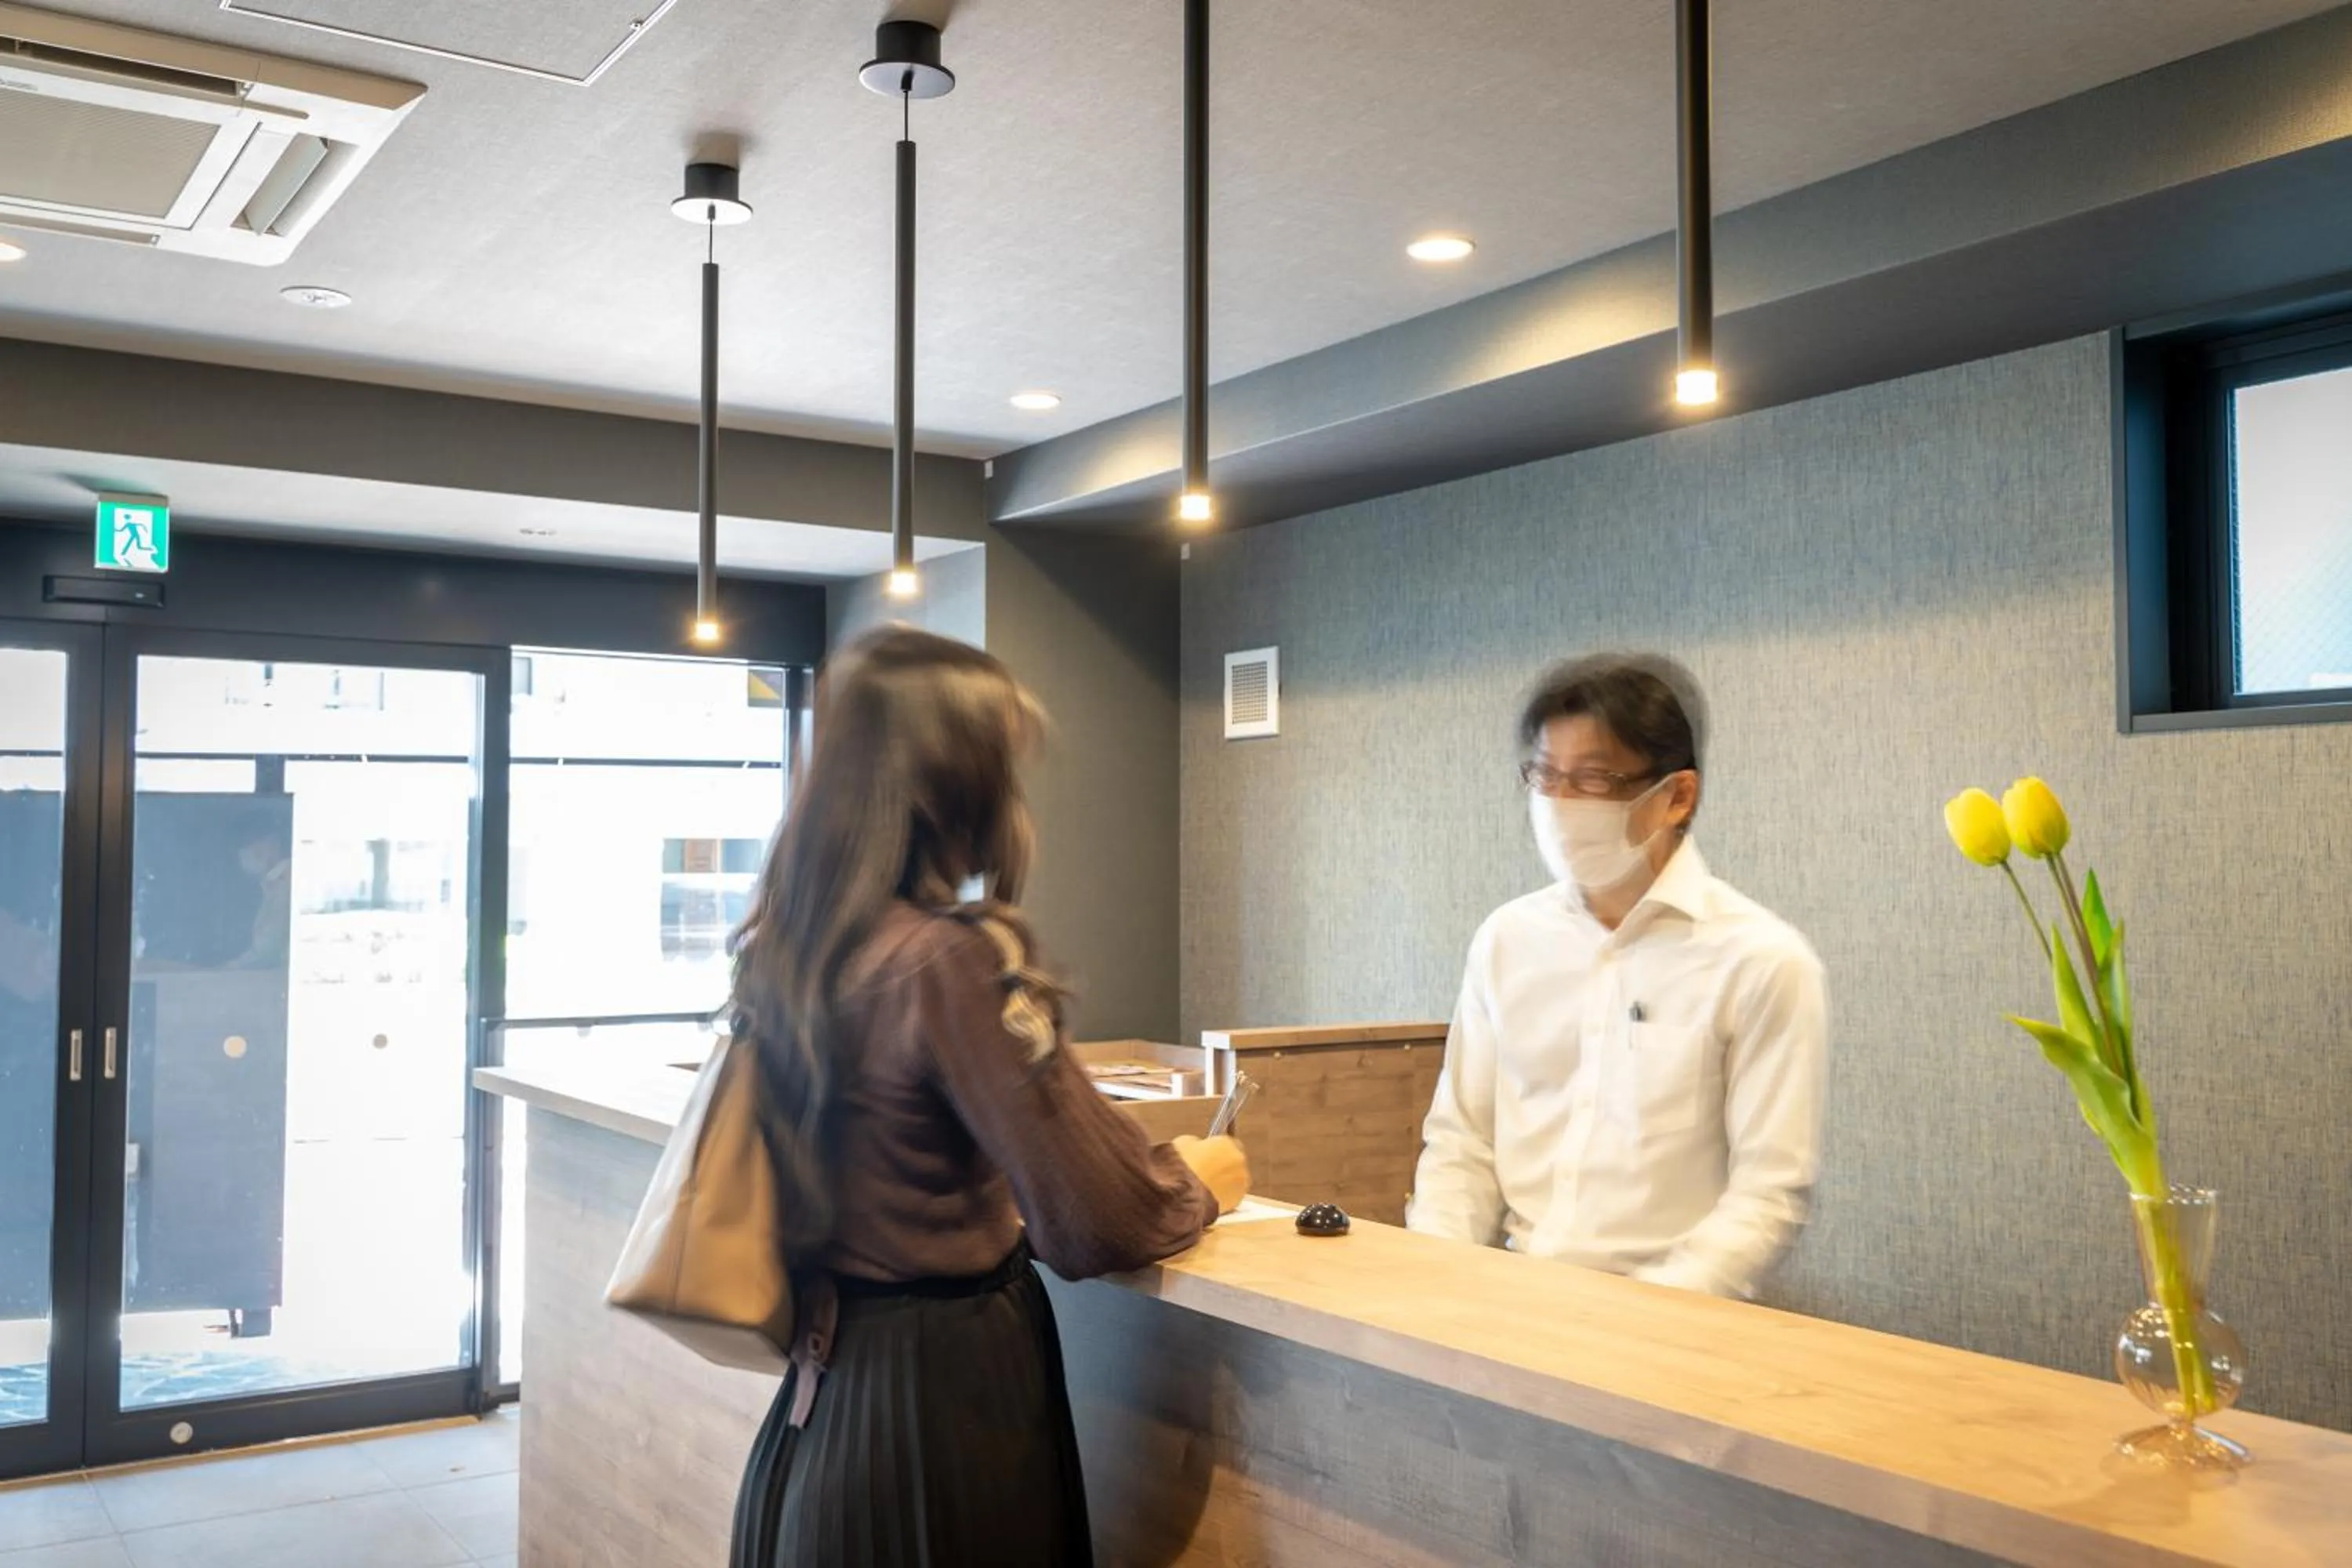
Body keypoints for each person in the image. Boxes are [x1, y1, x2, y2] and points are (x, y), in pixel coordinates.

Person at [727, 626, 1249, 1568]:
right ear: (957, 784)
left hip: (822, 1404)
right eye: (1007, 764)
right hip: (942, 1407)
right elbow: (1096, 1216)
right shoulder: (947, 960)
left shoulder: (786, 948)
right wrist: (1199, 1179)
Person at [1406, 652, 1825, 1301]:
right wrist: (1436, 1281)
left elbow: (1768, 1194)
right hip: (1515, 1301)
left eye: (1594, 780)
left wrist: (1649, 1313)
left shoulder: (1761, 961)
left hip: (1676, 1321)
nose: (1560, 804)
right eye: (1545, 777)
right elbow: (1463, 1144)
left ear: (1676, 796)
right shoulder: (1507, 940)